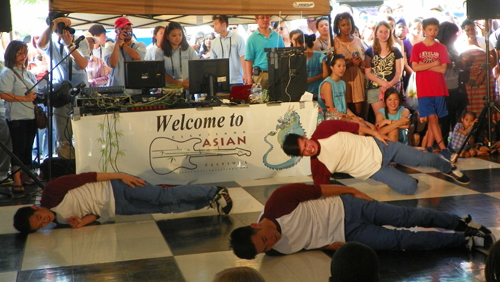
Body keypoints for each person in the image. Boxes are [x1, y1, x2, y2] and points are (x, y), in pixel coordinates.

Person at [229, 183, 494, 259]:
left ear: (255, 225)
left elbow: (319, 189)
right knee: (399, 241)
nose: (271, 241)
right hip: (348, 236)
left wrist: (353, 192)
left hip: (347, 208)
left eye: (264, 238)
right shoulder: (275, 250)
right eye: (266, 247)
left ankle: (458, 223)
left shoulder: (278, 201)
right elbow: (308, 243)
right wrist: (333, 247)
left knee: (407, 216)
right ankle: (464, 241)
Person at [282, 119, 470, 194]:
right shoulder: (318, 165)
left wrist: (377, 134)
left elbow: (354, 127)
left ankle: (449, 168)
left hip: (381, 147)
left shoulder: (323, 129)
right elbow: (321, 189)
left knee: (426, 159)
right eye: (304, 151)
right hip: (374, 170)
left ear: (305, 137)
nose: (309, 149)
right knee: (410, 187)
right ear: (302, 156)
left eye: (305, 144)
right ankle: (398, 179)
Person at [13, 172, 233, 233]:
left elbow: (89, 177)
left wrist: (120, 176)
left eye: (39, 217)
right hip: (117, 208)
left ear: (34, 207)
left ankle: (215, 190)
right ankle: (208, 200)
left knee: (162, 197)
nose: (45, 220)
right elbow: (95, 215)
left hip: (116, 187)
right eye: (41, 225)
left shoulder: (51, 191)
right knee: (165, 208)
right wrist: (82, 222)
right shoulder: (59, 222)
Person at [37, 13, 90, 159]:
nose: (65, 29)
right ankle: (66, 166)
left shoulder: (80, 41)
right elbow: (40, 45)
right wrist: (51, 26)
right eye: (60, 26)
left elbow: (83, 64)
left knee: (82, 135)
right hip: (60, 94)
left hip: (80, 92)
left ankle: (83, 165)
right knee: (63, 138)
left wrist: (70, 45)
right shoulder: (52, 43)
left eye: (66, 25)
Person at [410, 18, 455, 161]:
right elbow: (415, 67)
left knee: (434, 119)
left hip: (438, 87)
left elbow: (442, 69)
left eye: (435, 29)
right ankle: (443, 148)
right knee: (432, 117)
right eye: (429, 29)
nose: (432, 32)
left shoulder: (441, 47)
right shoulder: (417, 47)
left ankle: (429, 146)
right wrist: (433, 63)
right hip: (424, 88)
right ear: (424, 30)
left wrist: (427, 64)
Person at [0, 41, 38, 193]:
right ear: (12, 54)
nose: (23, 56)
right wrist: (25, 99)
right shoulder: (8, 73)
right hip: (16, 117)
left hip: (30, 115)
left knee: (28, 148)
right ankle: (16, 180)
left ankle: (26, 175)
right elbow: (3, 94)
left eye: (25, 53)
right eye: (19, 53)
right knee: (18, 148)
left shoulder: (28, 73)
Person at [318, 55, 375, 131]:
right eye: (339, 66)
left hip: (344, 115)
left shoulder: (342, 83)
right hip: (333, 117)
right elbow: (331, 110)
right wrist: (350, 118)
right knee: (362, 127)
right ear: (332, 67)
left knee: (371, 126)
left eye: (344, 66)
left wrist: (355, 116)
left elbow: (345, 107)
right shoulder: (327, 84)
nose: (342, 69)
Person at [436, 21, 468, 147]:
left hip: (455, 84)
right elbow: (442, 64)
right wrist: (457, 63)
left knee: (455, 115)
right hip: (444, 85)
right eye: (454, 34)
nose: (456, 36)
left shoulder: (452, 47)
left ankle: (455, 142)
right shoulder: (439, 46)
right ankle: (442, 142)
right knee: (445, 117)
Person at [365, 21, 403, 119]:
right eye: (381, 31)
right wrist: (382, 83)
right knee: (381, 119)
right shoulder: (370, 51)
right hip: (375, 89)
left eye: (386, 32)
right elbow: (368, 72)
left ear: (390, 33)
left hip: (392, 89)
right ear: (376, 33)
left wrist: (388, 85)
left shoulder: (395, 51)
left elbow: (399, 72)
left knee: (393, 119)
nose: (383, 34)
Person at [333, 12, 366, 118]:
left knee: (358, 106)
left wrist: (361, 62)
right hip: (343, 76)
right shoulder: (334, 41)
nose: (347, 27)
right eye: (343, 25)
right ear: (338, 26)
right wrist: (349, 63)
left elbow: (364, 56)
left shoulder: (357, 40)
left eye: (348, 24)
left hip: (357, 75)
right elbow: (332, 61)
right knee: (344, 105)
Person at [103, 17, 146, 92]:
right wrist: (117, 44)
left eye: (129, 28)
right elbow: (112, 64)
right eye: (123, 29)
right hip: (116, 90)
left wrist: (123, 44)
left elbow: (137, 57)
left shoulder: (140, 45)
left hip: (136, 90)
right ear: (116, 31)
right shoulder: (110, 47)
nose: (127, 31)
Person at [245, 15, 285, 89]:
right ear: (256, 20)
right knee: (261, 99)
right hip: (261, 75)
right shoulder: (252, 39)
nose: (265, 19)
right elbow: (249, 60)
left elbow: (284, 56)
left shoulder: (278, 37)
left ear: (270, 19)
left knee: (278, 99)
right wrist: (249, 80)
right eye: (262, 17)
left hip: (277, 74)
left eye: (267, 17)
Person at [155, 21, 197, 89]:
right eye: (174, 35)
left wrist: (188, 82)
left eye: (180, 35)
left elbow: (195, 68)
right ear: (167, 36)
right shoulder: (160, 52)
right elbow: (160, 73)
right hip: (168, 90)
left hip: (187, 89)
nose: (177, 38)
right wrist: (178, 83)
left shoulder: (189, 50)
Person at [211, 15, 247, 85]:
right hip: (220, 80)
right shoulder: (214, 42)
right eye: (213, 25)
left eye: (216, 24)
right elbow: (213, 62)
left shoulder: (238, 38)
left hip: (237, 79)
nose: (214, 27)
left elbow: (243, 57)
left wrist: (245, 74)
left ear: (224, 24)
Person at [303, 34, 327, 98]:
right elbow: (325, 74)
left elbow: (325, 74)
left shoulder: (320, 55)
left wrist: (310, 79)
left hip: (313, 92)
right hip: (314, 91)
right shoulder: (320, 55)